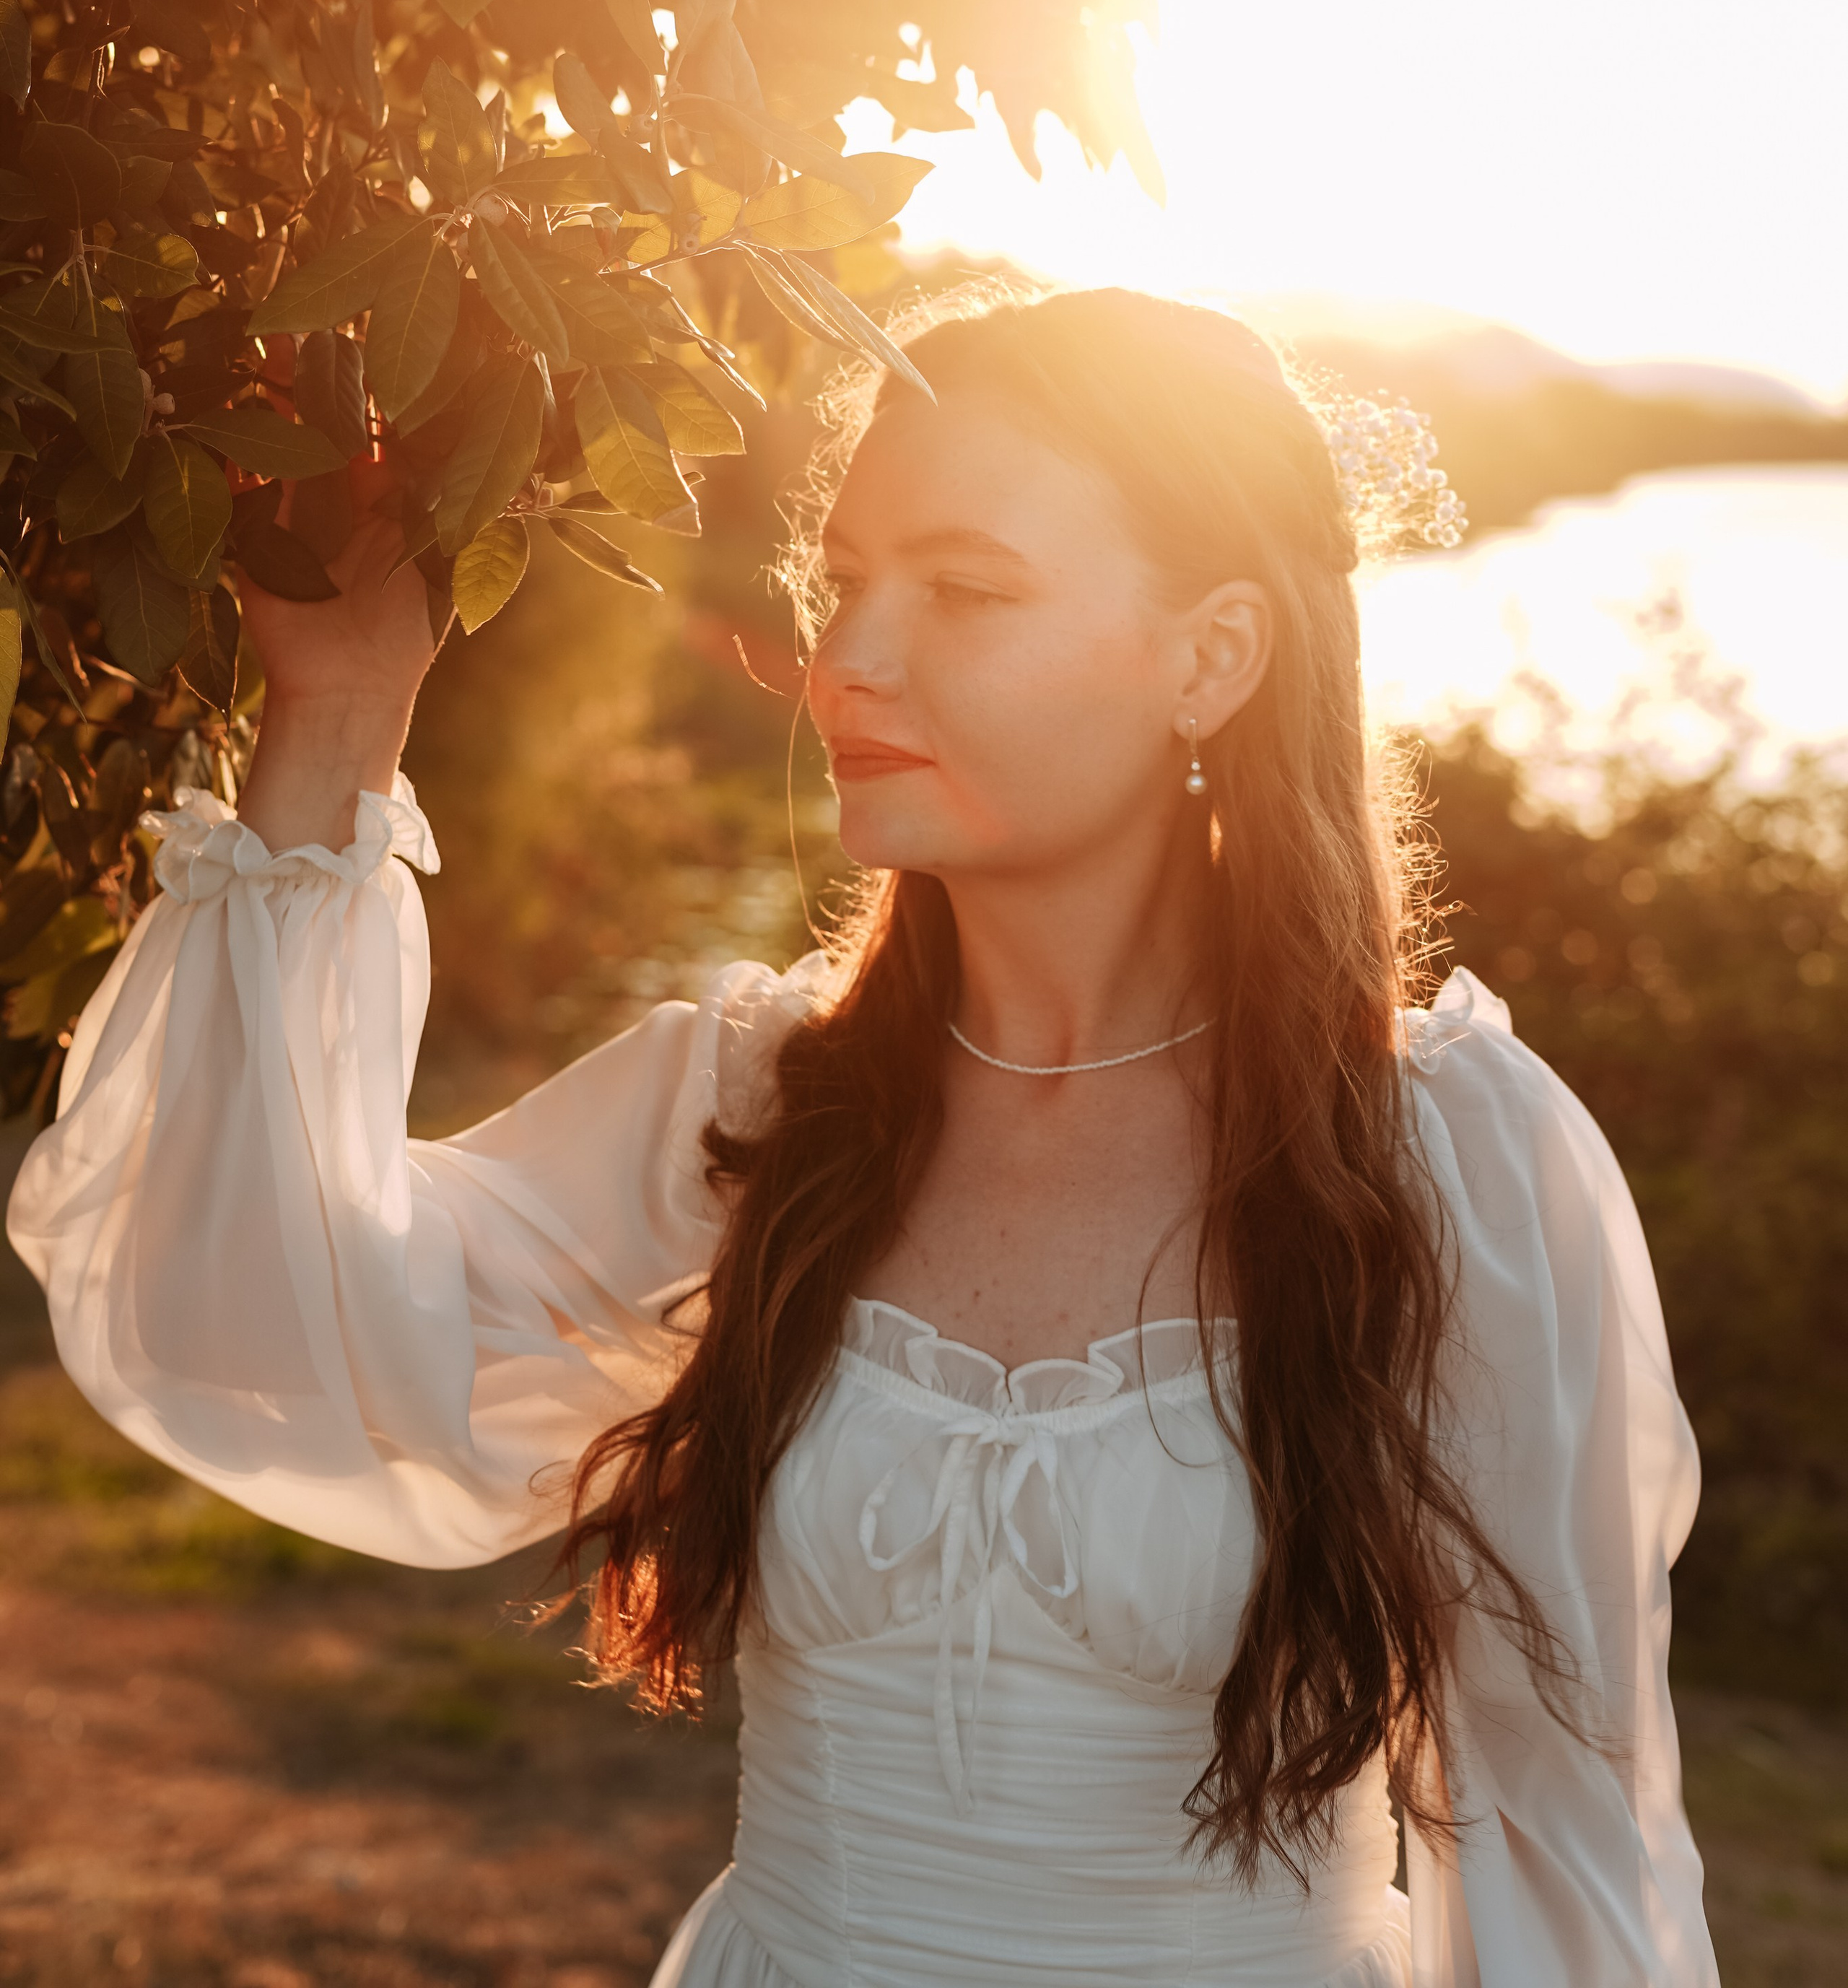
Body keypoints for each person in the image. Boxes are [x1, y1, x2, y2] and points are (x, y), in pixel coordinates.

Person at [8, 287, 1717, 1987]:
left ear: (1209, 658)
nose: (845, 662)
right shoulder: (757, 1106)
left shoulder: (1443, 1165)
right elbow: (249, 1316)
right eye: (842, 583)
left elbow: (1568, 1836)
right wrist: (336, 712)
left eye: (965, 590)